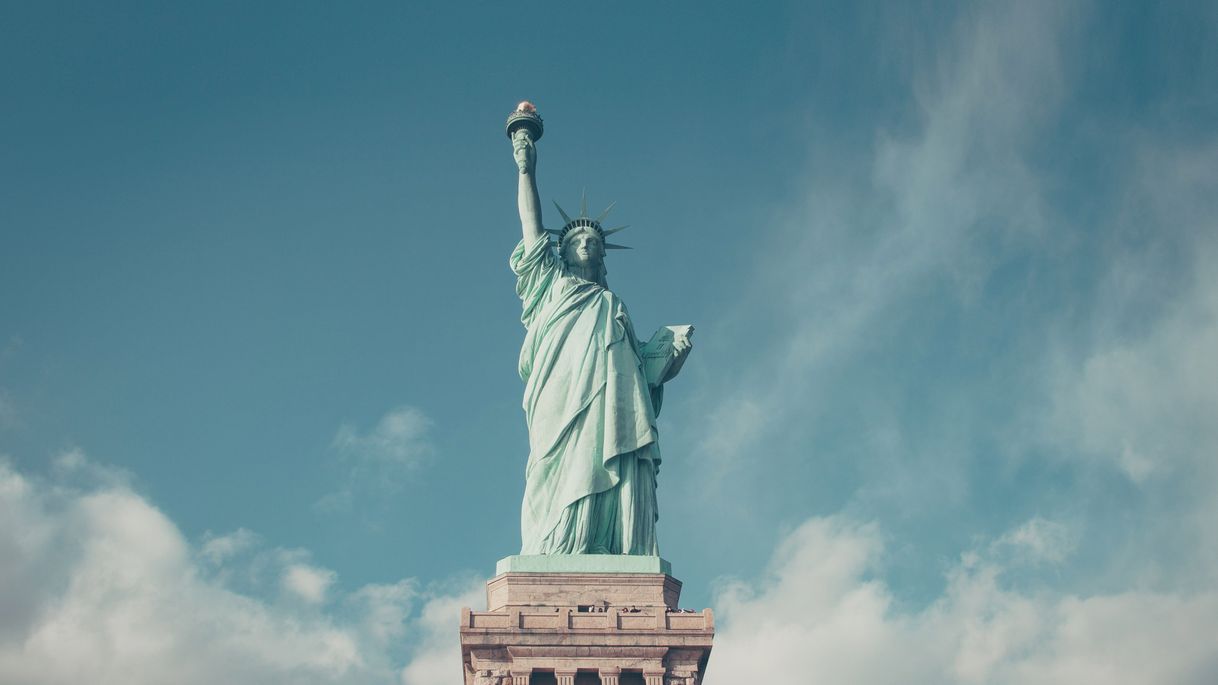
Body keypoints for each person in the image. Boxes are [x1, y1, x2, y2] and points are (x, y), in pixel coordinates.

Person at [509, 126, 691, 555]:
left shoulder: (614, 305)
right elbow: (532, 228)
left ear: (603, 254)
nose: (587, 244)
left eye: (594, 240)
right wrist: (525, 170)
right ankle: (555, 546)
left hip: (611, 405)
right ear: (564, 251)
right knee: (553, 465)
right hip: (559, 394)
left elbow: (640, 376)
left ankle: (605, 542)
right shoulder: (548, 285)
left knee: (609, 458)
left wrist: (665, 359)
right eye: (577, 240)